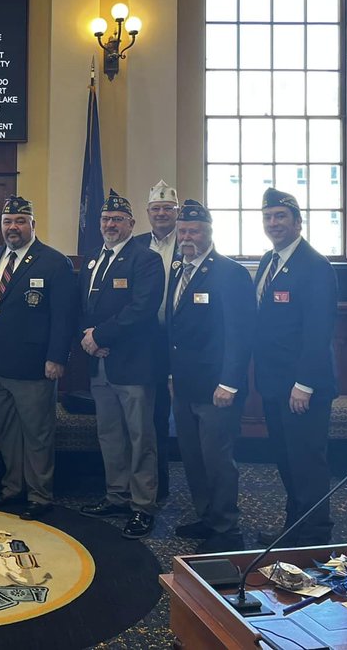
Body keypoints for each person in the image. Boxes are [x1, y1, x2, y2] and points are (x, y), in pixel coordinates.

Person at [0, 196, 76, 521]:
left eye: (20, 221)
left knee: (37, 433)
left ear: (33, 224)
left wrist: (57, 357)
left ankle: (39, 494)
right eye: (8, 221)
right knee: (7, 431)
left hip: (35, 365)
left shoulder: (53, 261)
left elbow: (64, 316)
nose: (13, 227)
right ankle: (12, 488)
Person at [165, 199, 255, 552]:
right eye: (183, 231)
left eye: (195, 231)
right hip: (185, 385)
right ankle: (206, 517)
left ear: (209, 233)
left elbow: (239, 333)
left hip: (217, 387)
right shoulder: (178, 268)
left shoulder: (229, 273)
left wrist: (229, 382)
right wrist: (173, 376)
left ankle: (227, 528)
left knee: (218, 459)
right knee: (193, 456)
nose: (188, 236)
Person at [253, 187, 339, 547]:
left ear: (298, 221)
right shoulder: (268, 261)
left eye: (280, 216)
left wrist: (304, 383)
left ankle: (316, 534)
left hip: (303, 387)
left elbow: (319, 331)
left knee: (307, 461)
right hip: (274, 382)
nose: (274, 223)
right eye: (268, 217)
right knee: (287, 460)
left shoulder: (314, 265)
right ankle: (295, 526)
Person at [77, 190, 166, 539]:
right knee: (110, 434)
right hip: (100, 364)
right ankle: (117, 495)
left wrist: (99, 336)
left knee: (140, 436)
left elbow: (141, 310)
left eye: (117, 219)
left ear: (131, 223)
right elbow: (82, 308)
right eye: (105, 219)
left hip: (133, 366)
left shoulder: (145, 259)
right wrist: (88, 338)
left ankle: (143, 506)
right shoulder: (92, 260)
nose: (110, 224)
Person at [131, 179, 178, 503]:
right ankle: (154, 485)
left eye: (167, 208)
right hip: (144, 341)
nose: (161, 213)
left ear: (177, 212)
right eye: (156, 209)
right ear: (147, 213)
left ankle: (164, 483)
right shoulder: (135, 245)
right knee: (150, 414)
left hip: (178, 341)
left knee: (170, 415)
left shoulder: (188, 241)